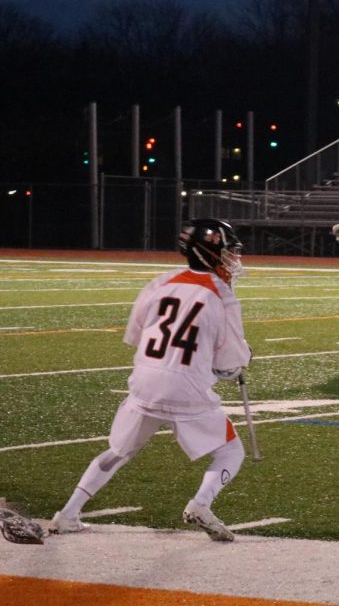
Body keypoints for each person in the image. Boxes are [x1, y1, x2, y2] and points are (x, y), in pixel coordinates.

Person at [49, 218, 252, 541]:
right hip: (188, 390)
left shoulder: (160, 283)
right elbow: (230, 364)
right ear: (208, 251)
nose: (233, 257)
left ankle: (67, 514)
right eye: (228, 250)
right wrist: (241, 360)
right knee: (231, 451)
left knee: (118, 452)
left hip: (144, 383)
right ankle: (200, 504)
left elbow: (136, 334)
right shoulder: (222, 296)